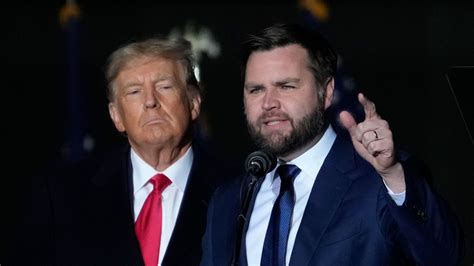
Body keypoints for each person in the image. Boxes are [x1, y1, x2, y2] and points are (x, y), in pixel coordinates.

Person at [201, 23, 465, 265]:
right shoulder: (227, 201)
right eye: (256, 89)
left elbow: (445, 256)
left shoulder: (380, 180)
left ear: (326, 92)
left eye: (286, 86)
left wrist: (392, 174)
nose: (269, 103)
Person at [8, 36, 234, 265]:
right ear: (116, 116)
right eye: (134, 92)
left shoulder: (239, 190)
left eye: (164, 86)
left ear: (194, 103)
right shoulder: (62, 193)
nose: (150, 101)